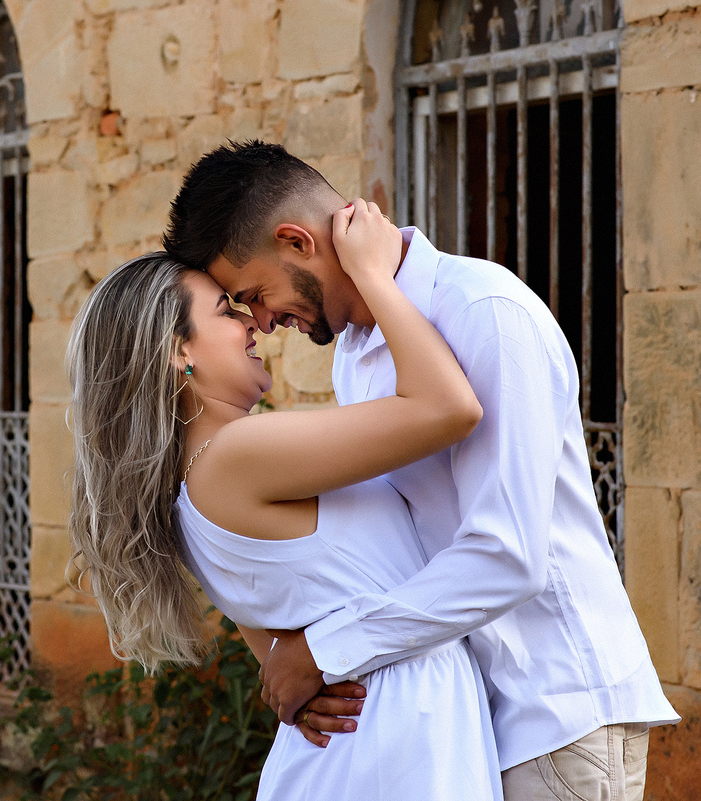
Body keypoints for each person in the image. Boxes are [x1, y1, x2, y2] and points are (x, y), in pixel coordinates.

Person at [162, 140, 678, 801]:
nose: (263, 322)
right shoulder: (356, 351)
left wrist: (328, 650)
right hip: (462, 719)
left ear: (295, 240)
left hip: (553, 709)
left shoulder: (484, 311)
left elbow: (510, 554)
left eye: (255, 294)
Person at [67, 201, 504, 799]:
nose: (253, 324)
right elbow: (449, 408)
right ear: (179, 352)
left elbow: (282, 665)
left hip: (369, 738)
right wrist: (374, 277)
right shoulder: (237, 455)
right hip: (390, 743)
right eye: (227, 311)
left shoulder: (196, 481)